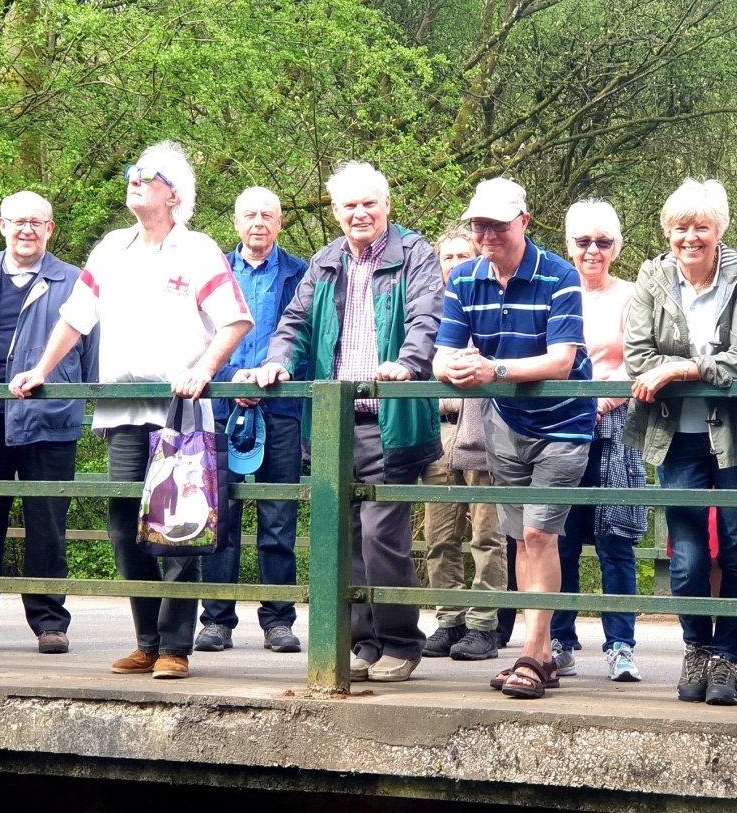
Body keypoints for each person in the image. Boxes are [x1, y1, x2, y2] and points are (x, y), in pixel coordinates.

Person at [11, 141, 251, 682]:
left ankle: (175, 647)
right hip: (121, 412)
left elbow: (236, 320)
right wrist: (41, 369)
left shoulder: (198, 250)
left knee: (178, 530)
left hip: (179, 414)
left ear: (174, 194)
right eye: (131, 171)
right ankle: (146, 642)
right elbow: (75, 317)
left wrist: (204, 369)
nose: (135, 179)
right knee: (124, 529)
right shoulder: (110, 249)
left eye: (148, 174)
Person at [248, 160, 442, 683]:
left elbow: (427, 315)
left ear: (387, 205)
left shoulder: (415, 254)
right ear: (335, 212)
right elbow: (295, 322)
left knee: (382, 538)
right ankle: (363, 643)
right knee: (346, 540)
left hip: (392, 419)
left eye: (369, 203)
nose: (360, 213)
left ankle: (401, 642)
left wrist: (408, 362)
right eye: (349, 205)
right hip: (334, 423)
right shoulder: (326, 260)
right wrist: (278, 361)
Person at [434, 176, 593, 700]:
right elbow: (442, 355)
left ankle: (530, 653)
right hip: (505, 422)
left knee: (539, 535)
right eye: (479, 225)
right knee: (522, 538)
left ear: (523, 221)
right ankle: (540, 654)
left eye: (497, 225)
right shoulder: (464, 280)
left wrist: (493, 370)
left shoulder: (559, 274)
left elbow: (562, 362)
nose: (486, 235)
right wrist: (452, 369)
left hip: (563, 423)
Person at [624, 178, 737, 706]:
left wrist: (680, 368)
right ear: (667, 232)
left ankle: (727, 657)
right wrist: (697, 367)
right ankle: (697, 648)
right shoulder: (652, 276)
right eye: (680, 227)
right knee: (686, 557)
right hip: (674, 435)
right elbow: (637, 357)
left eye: (701, 227)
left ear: (719, 231)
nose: (691, 237)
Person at [0, 191, 97, 655]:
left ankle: (50, 622)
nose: (26, 230)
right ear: (2, 226)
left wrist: (79, 399)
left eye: (36, 222)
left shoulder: (74, 280)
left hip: (48, 418)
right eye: (18, 221)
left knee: (47, 524)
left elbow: (91, 349)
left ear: (50, 229)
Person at [196, 187, 307, 654]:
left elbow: (307, 339)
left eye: (267, 215)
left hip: (281, 409)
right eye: (250, 215)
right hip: (221, 408)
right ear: (236, 223)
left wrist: (274, 376)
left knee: (278, 518)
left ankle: (278, 619)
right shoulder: (213, 271)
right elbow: (197, 338)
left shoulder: (301, 273)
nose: (258, 222)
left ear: (279, 223)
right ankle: (216, 620)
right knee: (219, 517)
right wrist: (229, 379)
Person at [548, 200, 646, 684]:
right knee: (559, 540)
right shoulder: (554, 290)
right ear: (568, 244)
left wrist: (606, 397)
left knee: (616, 542)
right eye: (583, 241)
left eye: (603, 241)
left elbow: (642, 356)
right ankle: (560, 641)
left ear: (616, 247)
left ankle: (621, 645)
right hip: (562, 426)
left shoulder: (633, 295)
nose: (592, 250)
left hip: (617, 427)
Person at [420, 228, 507, 663]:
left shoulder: (488, 305)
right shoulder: (426, 312)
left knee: (487, 536)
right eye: (448, 256)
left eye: (463, 255)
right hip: (439, 433)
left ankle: (483, 625)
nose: (455, 263)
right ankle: (449, 618)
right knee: (438, 536)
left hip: (485, 431)